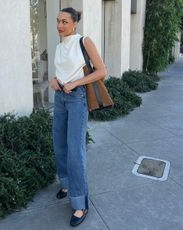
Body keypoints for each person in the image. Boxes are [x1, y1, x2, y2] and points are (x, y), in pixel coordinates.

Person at [50, 7, 107, 227]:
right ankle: (66, 184)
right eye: (57, 21)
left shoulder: (84, 41)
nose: (59, 25)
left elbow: (102, 70)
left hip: (77, 99)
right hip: (60, 97)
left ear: (74, 23)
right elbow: (61, 72)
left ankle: (80, 203)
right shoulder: (59, 45)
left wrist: (75, 83)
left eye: (64, 21)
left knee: (75, 149)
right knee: (59, 145)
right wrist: (54, 80)